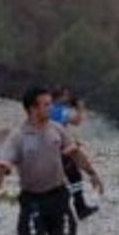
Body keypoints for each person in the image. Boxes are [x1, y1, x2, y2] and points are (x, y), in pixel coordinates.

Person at [0, 86, 104, 235]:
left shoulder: (57, 129)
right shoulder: (18, 137)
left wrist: (92, 173)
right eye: (46, 105)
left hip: (59, 197)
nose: (50, 108)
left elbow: (74, 153)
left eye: (50, 104)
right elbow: (0, 167)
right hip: (33, 202)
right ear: (32, 109)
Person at [50, 86, 97, 219]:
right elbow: (76, 121)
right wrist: (80, 109)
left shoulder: (46, 109)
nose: (68, 98)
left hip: (46, 150)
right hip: (61, 150)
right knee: (74, 177)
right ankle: (80, 208)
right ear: (61, 96)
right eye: (66, 95)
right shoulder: (60, 111)